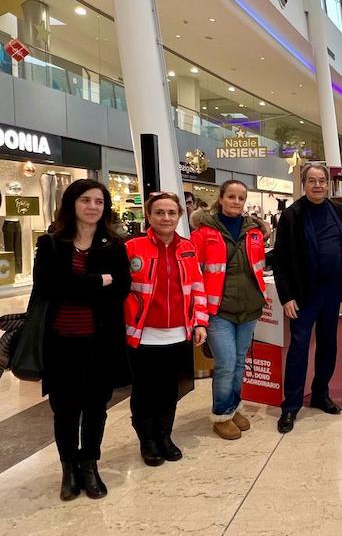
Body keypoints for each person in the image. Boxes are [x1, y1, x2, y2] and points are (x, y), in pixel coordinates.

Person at [34, 179, 132, 500]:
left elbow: (120, 288)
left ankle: (89, 464)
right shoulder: (51, 243)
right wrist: (96, 282)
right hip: (60, 343)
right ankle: (68, 468)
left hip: (100, 343)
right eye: (85, 200)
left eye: (99, 202)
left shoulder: (113, 246)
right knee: (64, 410)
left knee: (95, 408)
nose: (92, 207)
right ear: (72, 204)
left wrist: (75, 284)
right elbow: (47, 287)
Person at [124, 193, 209, 466]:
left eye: (172, 213)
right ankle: (147, 440)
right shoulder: (132, 247)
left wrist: (200, 321)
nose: (166, 218)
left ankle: (164, 435)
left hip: (178, 334)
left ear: (180, 216)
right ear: (149, 216)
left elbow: (198, 287)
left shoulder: (187, 248)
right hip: (144, 335)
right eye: (159, 212)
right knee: (145, 390)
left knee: (170, 390)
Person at [272, 163, 342, 434]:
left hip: (332, 293)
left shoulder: (339, 212)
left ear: (328, 184)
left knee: (329, 346)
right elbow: (279, 259)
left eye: (322, 181)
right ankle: (290, 406)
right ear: (304, 185)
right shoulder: (292, 215)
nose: (318, 185)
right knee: (299, 349)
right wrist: (286, 297)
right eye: (312, 181)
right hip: (304, 295)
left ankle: (320, 394)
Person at [191, 180, 270, 440]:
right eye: (231, 197)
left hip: (249, 308)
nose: (236, 202)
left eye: (241, 198)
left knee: (238, 362)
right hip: (218, 310)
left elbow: (259, 266)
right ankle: (222, 415)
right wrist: (199, 313)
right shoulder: (203, 233)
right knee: (225, 363)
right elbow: (195, 274)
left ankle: (234, 407)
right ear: (221, 198)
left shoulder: (253, 232)